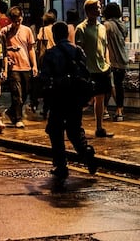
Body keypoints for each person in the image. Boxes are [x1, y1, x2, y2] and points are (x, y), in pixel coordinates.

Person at [39, 21, 97, 180]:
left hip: (58, 97)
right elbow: (86, 72)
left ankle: (61, 165)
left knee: (55, 130)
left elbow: (44, 77)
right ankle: (86, 154)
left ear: (55, 35)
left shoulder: (51, 53)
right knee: (74, 129)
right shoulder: (78, 51)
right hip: (76, 97)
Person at [74, 0, 112, 138]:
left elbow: (105, 46)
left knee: (100, 98)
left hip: (102, 68)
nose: (99, 9)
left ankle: (99, 127)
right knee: (85, 100)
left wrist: (107, 62)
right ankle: (75, 125)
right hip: (88, 69)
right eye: (96, 7)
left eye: (99, 7)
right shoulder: (81, 28)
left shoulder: (102, 27)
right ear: (89, 10)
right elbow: (79, 50)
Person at [2, 6, 37, 128]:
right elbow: (1, 49)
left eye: (19, 20)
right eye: (15, 21)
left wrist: (34, 65)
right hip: (13, 68)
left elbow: (31, 49)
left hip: (25, 66)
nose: (17, 23)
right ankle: (18, 118)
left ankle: (11, 111)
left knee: (25, 92)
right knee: (17, 93)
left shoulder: (27, 30)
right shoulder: (5, 31)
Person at [102, 2, 129, 122]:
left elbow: (103, 43)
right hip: (123, 59)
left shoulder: (106, 25)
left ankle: (105, 110)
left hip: (111, 60)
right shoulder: (122, 25)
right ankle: (119, 111)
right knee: (119, 86)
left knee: (107, 86)